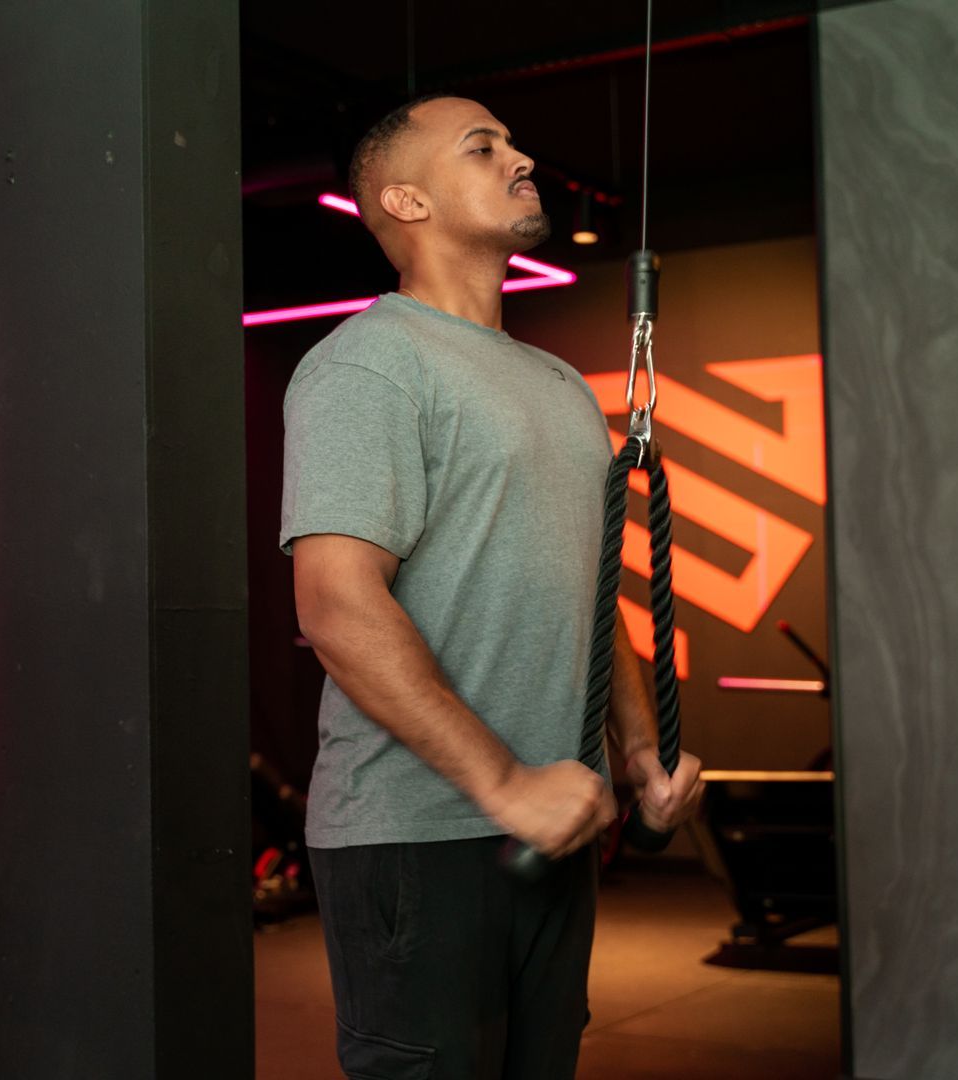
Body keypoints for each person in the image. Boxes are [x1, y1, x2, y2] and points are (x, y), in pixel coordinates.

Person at [279, 95, 704, 1079]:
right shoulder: (369, 366)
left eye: (513, 143)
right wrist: (506, 783)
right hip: (417, 837)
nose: (521, 160)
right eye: (483, 148)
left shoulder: (558, 386)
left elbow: (587, 599)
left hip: (551, 832)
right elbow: (337, 605)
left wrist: (639, 756)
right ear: (406, 200)